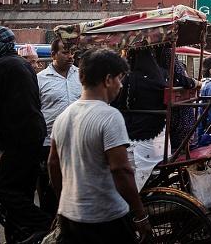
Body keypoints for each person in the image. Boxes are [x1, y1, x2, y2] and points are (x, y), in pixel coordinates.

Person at [48, 48, 151, 243]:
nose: (120, 86)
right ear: (108, 79)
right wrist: (140, 214)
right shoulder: (109, 116)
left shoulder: (63, 116)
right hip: (106, 218)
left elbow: (53, 164)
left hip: (70, 216)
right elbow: (121, 170)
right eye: (119, 79)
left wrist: (63, 202)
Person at [0, 26, 50, 243]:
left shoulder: (1, 67)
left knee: (3, 188)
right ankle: (19, 234)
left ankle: (45, 225)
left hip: (18, 138)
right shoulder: (23, 64)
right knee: (22, 190)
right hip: (34, 135)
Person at [36, 38, 82, 216]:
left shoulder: (80, 75)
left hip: (77, 143)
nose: (70, 56)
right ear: (53, 54)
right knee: (50, 196)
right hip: (49, 145)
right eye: (65, 52)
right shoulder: (40, 79)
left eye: (72, 52)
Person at [111, 49, 168, 191]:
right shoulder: (162, 74)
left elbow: (119, 102)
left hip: (136, 134)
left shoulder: (130, 78)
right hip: (158, 133)